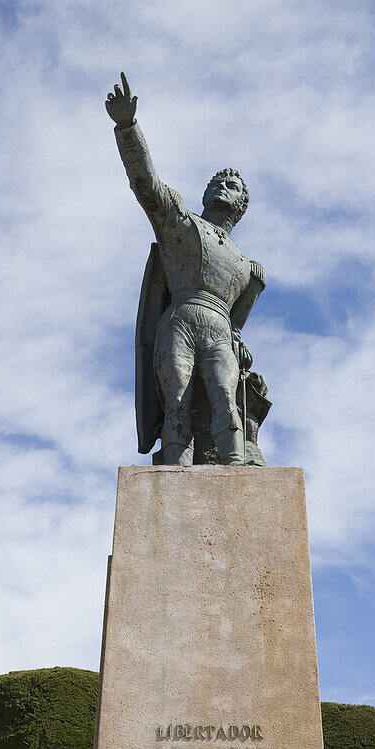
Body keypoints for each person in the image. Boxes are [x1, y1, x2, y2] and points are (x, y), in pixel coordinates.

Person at [106, 73, 266, 466]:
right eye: (218, 182)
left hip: (217, 330)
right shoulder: (182, 226)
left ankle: (238, 473)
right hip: (179, 318)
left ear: (242, 204)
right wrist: (127, 127)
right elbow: (147, 185)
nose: (223, 186)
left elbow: (237, 325)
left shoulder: (249, 270)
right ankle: (174, 476)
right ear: (206, 193)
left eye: (233, 185)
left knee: (225, 400)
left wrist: (238, 342)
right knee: (176, 404)